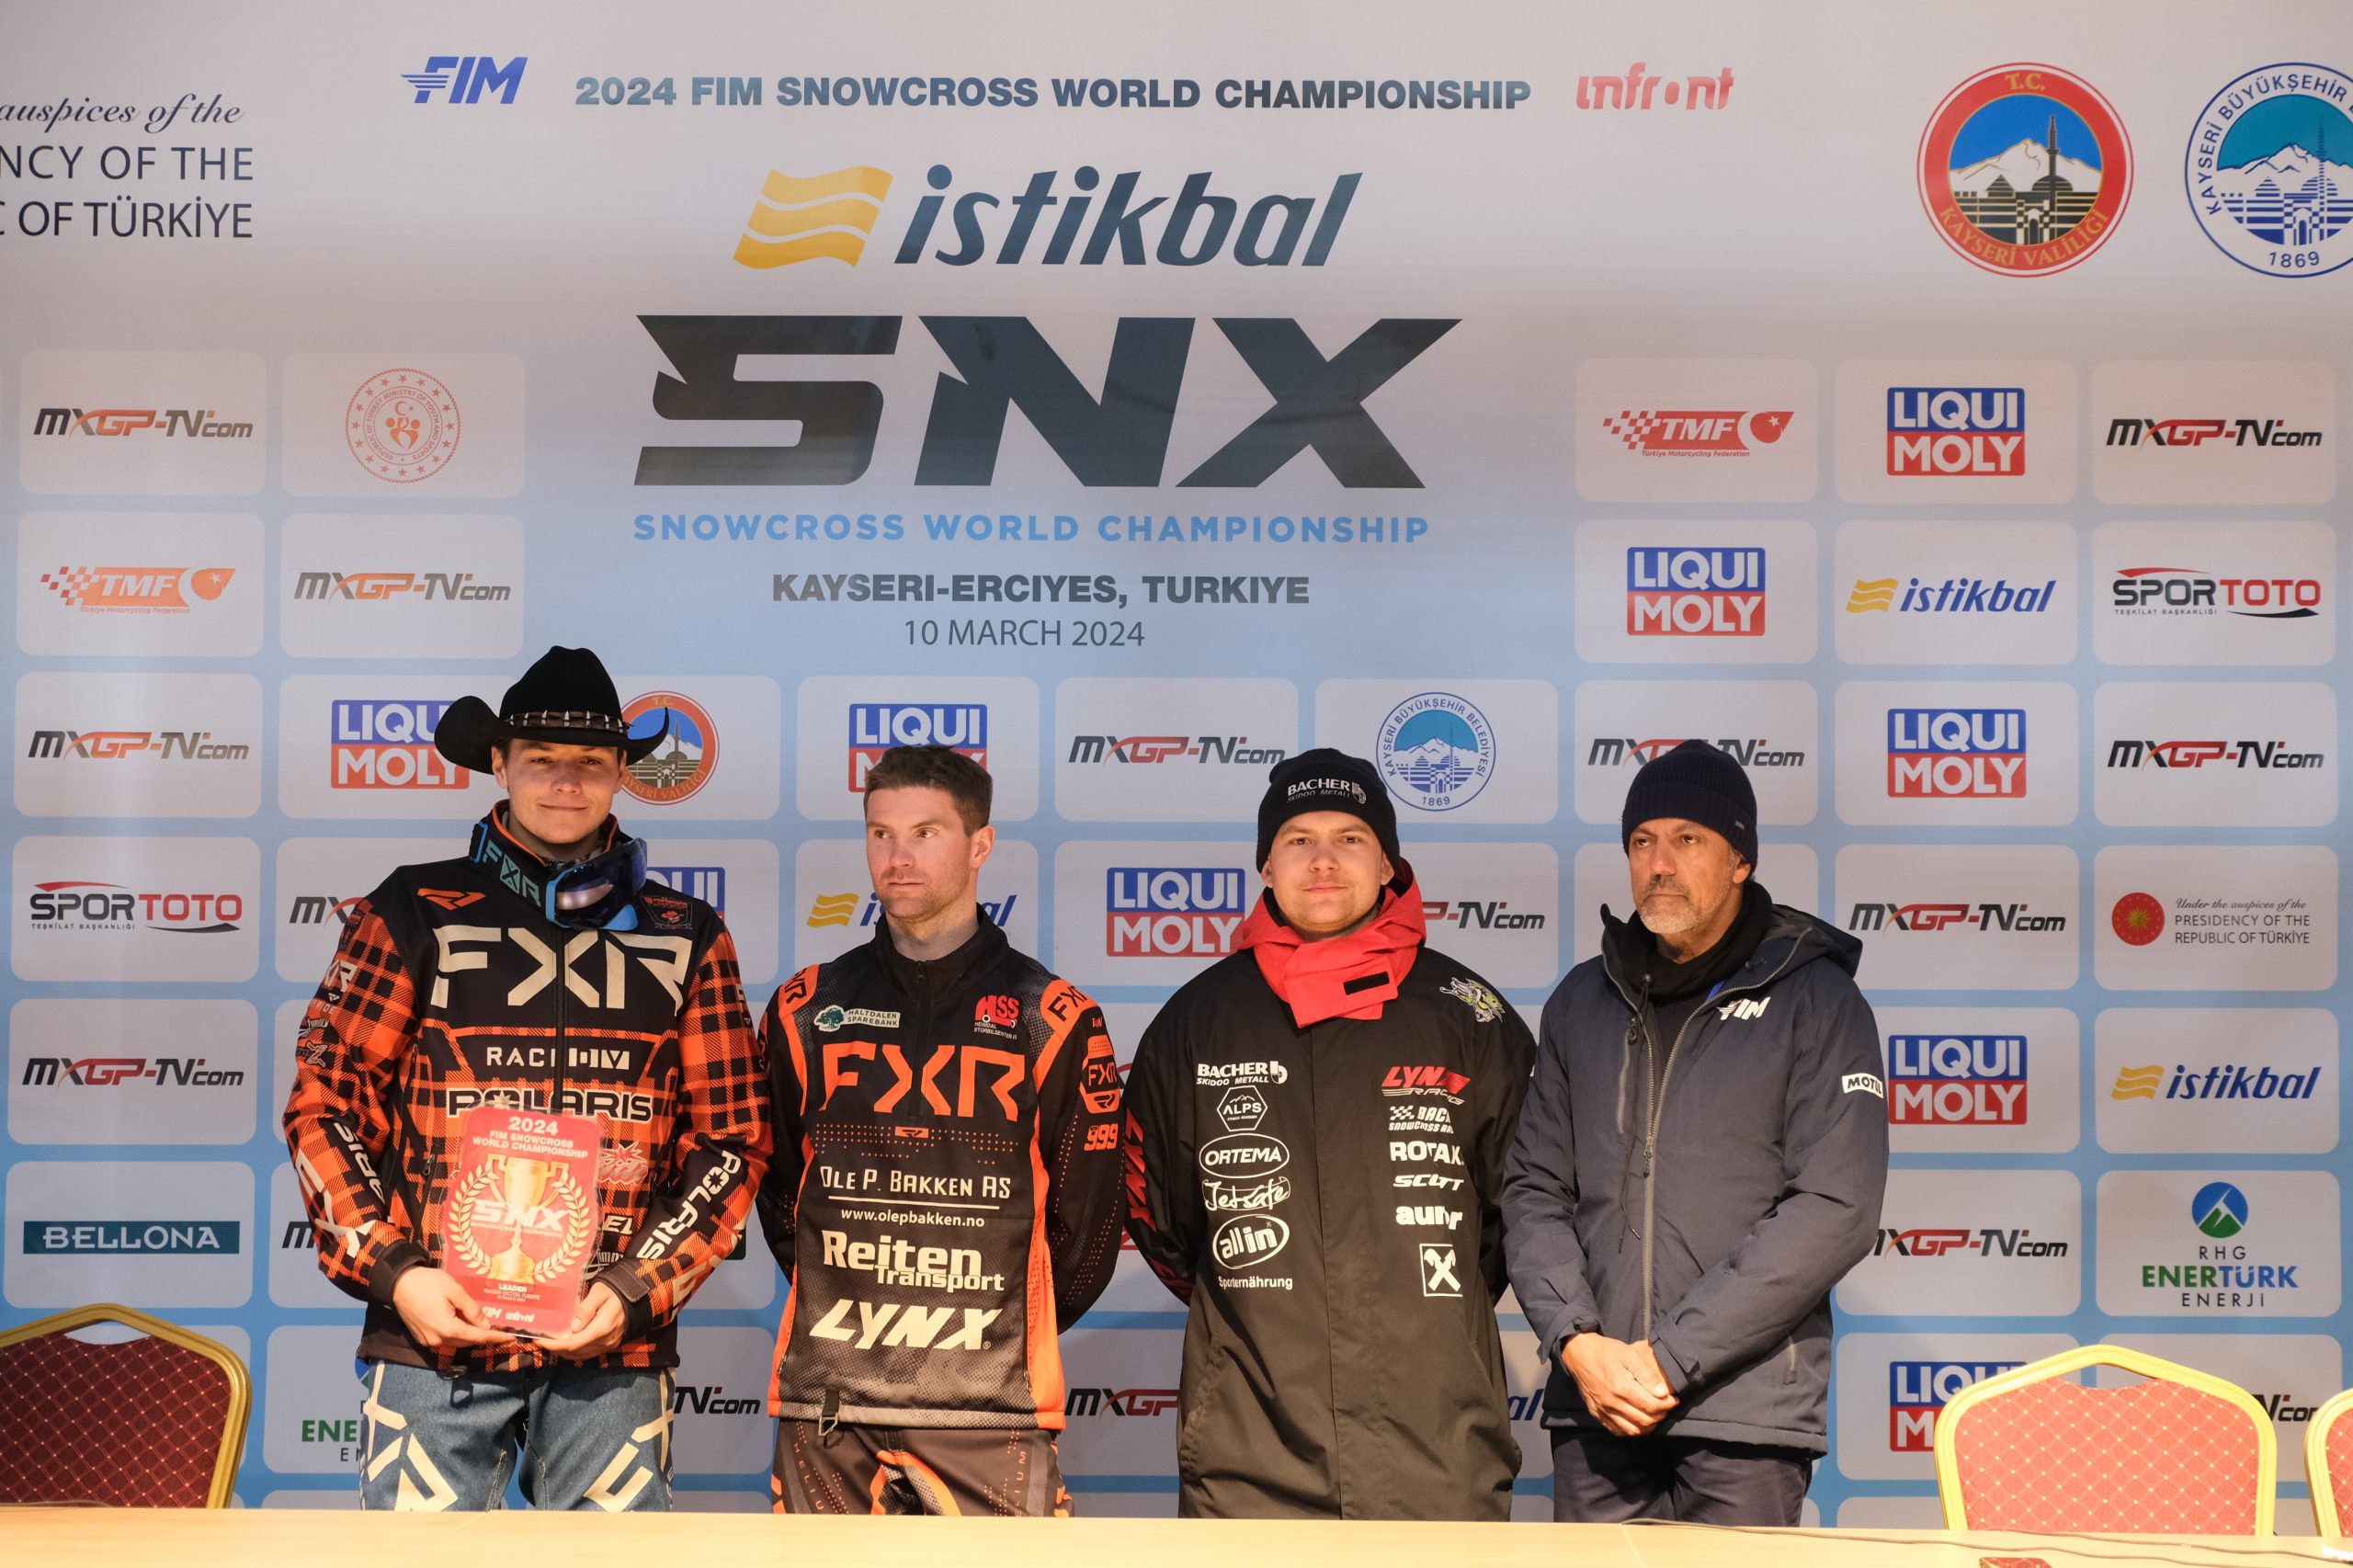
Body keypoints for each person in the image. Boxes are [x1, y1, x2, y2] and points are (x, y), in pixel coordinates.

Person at [283, 645, 772, 1511]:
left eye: (590, 762)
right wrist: (396, 1272)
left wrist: (636, 1288)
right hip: (434, 1334)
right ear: (499, 765)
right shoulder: (412, 908)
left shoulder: (687, 931)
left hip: (609, 1344)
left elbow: (731, 1141)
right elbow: (327, 1106)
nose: (566, 783)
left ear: (621, 773)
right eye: (541, 760)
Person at [1123, 748, 1534, 1518]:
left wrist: (1422, 1313)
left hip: (1439, 1448)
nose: (1323, 861)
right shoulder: (1196, 1022)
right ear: (1266, 865)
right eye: (1298, 840)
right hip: (1248, 1459)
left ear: (1387, 863)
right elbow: (1165, 1225)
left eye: (1349, 838)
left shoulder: (1467, 1015)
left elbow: (1522, 1216)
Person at [1504, 739, 1888, 1526]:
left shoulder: (1817, 1000)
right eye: (1642, 842)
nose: (1660, 864)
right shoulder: (1581, 1001)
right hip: (1599, 1407)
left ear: (1740, 859)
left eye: (1688, 839)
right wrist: (1577, 1342)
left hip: (1742, 1414)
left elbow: (1836, 1206)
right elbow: (1533, 1189)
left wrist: (1672, 1359)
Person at [756, 744, 1124, 1516]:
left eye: (926, 833)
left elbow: (1088, 1230)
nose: (899, 857)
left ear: (980, 844)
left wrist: (999, 1331)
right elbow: (782, 1196)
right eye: (881, 833)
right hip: (832, 1404)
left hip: (990, 1409)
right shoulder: (804, 1008)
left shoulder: (1053, 1017)